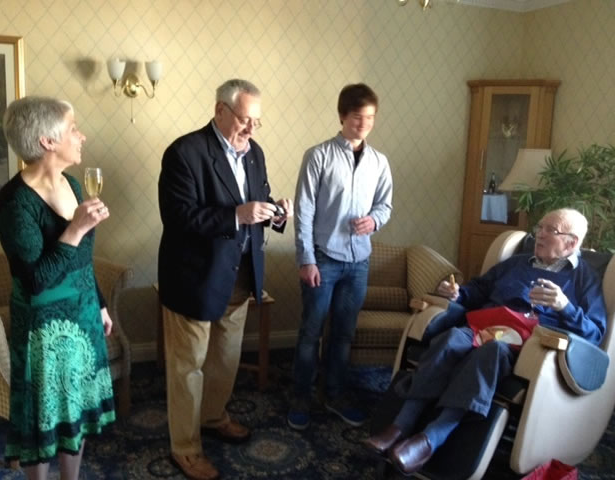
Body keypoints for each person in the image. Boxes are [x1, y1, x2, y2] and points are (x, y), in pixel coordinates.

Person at [363, 208, 607, 474]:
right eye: (541, 227)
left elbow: (595, 333)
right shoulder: (518, 263)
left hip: (526, 346)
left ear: (571, 242)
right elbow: (479, 289)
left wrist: (565, 307)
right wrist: (457, 293)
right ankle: (400, 425)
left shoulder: (584, 280)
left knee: (490, 353)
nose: (540, 234)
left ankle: (431, 439)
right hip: (484, 326)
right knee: (452, 339)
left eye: (551, 230)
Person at [158, 79, 292, 480]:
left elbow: (258, 205)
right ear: (220, 111)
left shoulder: (255, 154)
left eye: (257, 122)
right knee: (188, 369)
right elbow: (179, 218)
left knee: (225, 361)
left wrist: (277, 213)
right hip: (194, 280)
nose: (251, 129)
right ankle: (185, 447)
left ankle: (214, 416)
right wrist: (236, 214)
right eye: (245, 119)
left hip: (240, 276)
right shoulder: (185, 153)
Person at [0, 96, 115, 480]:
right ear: (47, 140)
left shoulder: (75, 185)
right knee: (43, 421)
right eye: (72, 127)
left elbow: (81, 261)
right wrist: (75, 230)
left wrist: (100, 303)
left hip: (83, 317)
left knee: (74, 411)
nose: (81, 135)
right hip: (44, 330)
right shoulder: (14, 203)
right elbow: (35, 280)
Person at [288, 83, 393, 430]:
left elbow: (385, 204)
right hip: (323, 258)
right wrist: (306, 259)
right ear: (342, 116)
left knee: (344, 334)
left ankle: (333, 395)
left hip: (359, 262)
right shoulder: (317, 156)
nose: (363, 124)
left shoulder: (379, 162)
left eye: (369, 118)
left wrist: (375, 219)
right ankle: (300, 397)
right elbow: (303, 211)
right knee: (310, 333)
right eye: (356, 117)